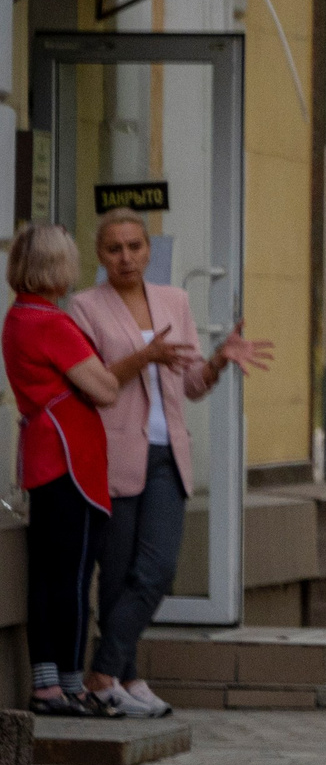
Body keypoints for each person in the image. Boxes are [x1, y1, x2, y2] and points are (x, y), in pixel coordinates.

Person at [68, 210, 273, 716]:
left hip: (168, 455)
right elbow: (92, 385)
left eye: (135, 246)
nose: (126, 257)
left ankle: (101, 672)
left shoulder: (174, 301)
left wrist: (219, 361)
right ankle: (127, 679)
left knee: (158, 569)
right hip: (115, 454)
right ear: (101, 256)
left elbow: (190, 385)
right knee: (116, 576)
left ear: (148, 250)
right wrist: (142, 358)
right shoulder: (84, 307)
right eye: (114, 249)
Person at [5, 225, 119, 715]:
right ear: (55, 268)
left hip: (44, 453)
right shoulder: (51, 322)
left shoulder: (17, 317)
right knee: (71, 576)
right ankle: (66, 684)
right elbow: (107, 389)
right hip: (67, 456)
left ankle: (51, 681)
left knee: (50, 574)